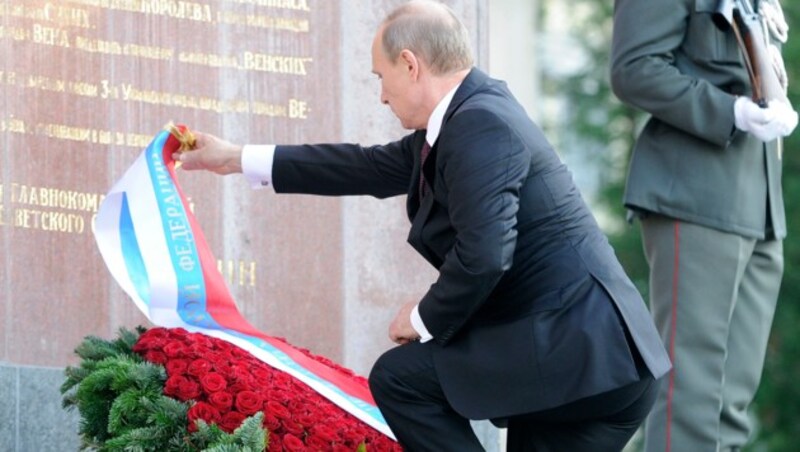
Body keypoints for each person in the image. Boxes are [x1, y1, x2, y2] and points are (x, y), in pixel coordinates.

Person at [177, 1, 670, 450]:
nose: (382, 96)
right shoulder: (464, 119)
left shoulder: (480, 125)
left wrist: (422, 319)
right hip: (586, 364)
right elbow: (362, 167)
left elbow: (485, 254)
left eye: (381, 76)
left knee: (400, 379)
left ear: (410, 64)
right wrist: (235, 158)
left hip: (584, 355)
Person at [610, 0, 798, 451]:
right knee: (689, 401)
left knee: (731, 408)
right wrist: (728, 111)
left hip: (758, 203)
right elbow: (633, 68)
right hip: (693, 194)